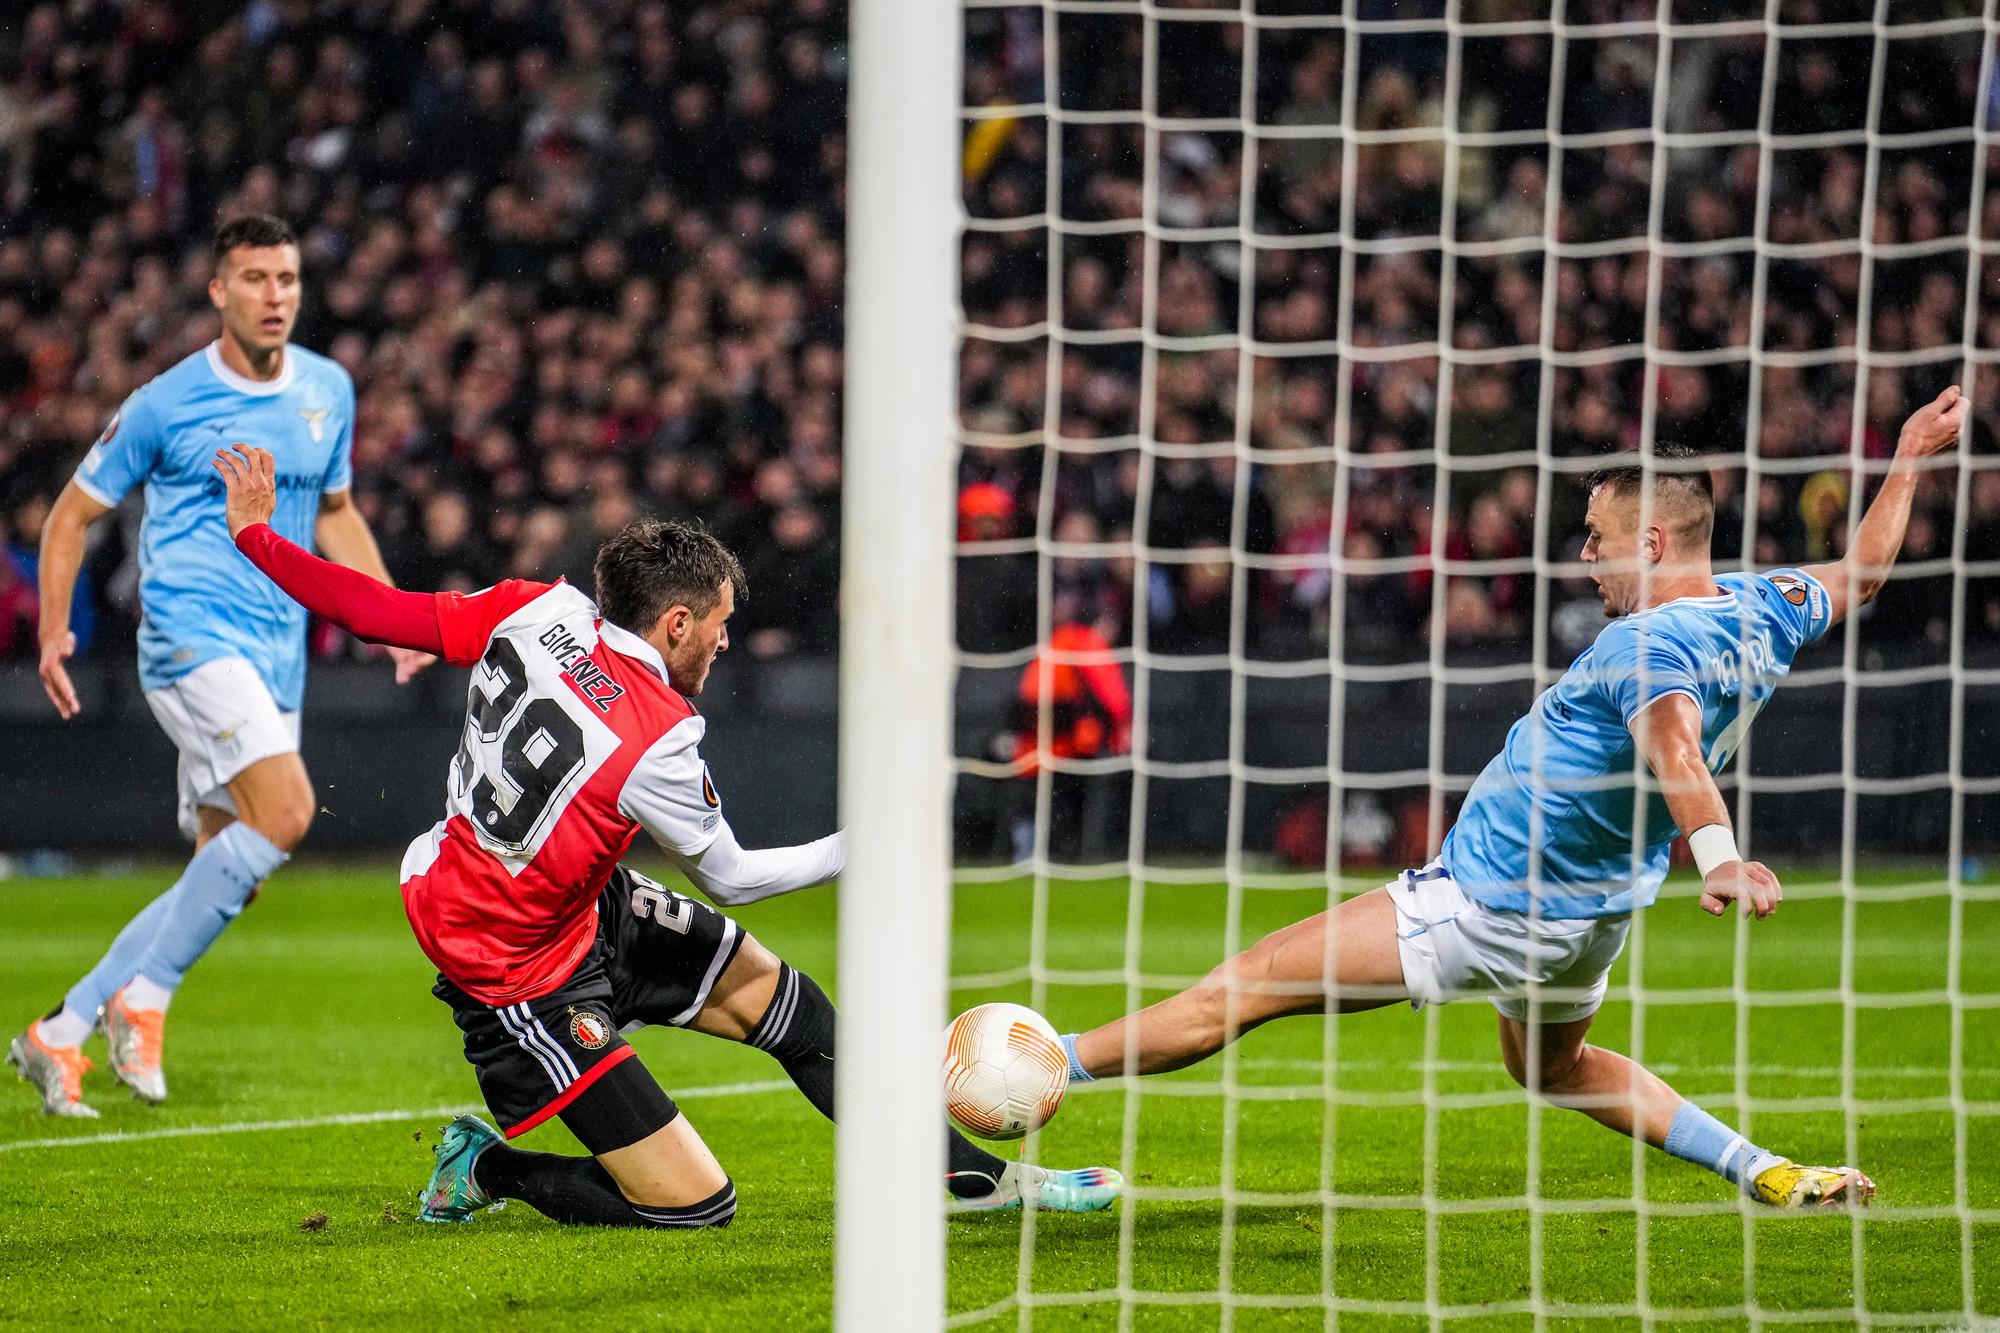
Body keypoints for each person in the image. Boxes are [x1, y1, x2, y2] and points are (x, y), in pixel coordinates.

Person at [1054, 386, 1967, 1210]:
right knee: (1555, 1068)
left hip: (1485, 901)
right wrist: (1907, 460)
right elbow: (1866, 572)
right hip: (1591, 915)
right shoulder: (1763, 606)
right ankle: (1762, 1168)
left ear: (1650, 544)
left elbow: (1676, 748)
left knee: (1248, 984)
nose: (1587, 555)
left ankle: (1052, 1065)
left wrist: (1721, 857)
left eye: (1600, 539)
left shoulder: (1642, 644)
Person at [211, 443, 1121, 1226]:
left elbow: (373, 611)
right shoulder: (657, 734)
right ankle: (485, 1167)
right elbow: (731, 876)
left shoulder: (537, 608)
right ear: (676, 620)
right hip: (508, 961)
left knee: (797, 1011)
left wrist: (257, 535)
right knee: (694, 1205)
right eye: (719, 626)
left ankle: (978, 1182)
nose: (724, 645)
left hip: (567, 898)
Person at [9, 214, 431, 1118]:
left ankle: (67, 1028)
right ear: (218, 292)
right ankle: (124, 1003)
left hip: (280, 653)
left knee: (223, 865)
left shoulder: (330, 388)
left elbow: (339, 513)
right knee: (286, 810)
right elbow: (69, 518)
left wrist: (393, 617)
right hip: (190, 636)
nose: (274, 295)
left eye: (286, 279)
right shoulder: (166, 403)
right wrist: (52, 629)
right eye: (254, 279)